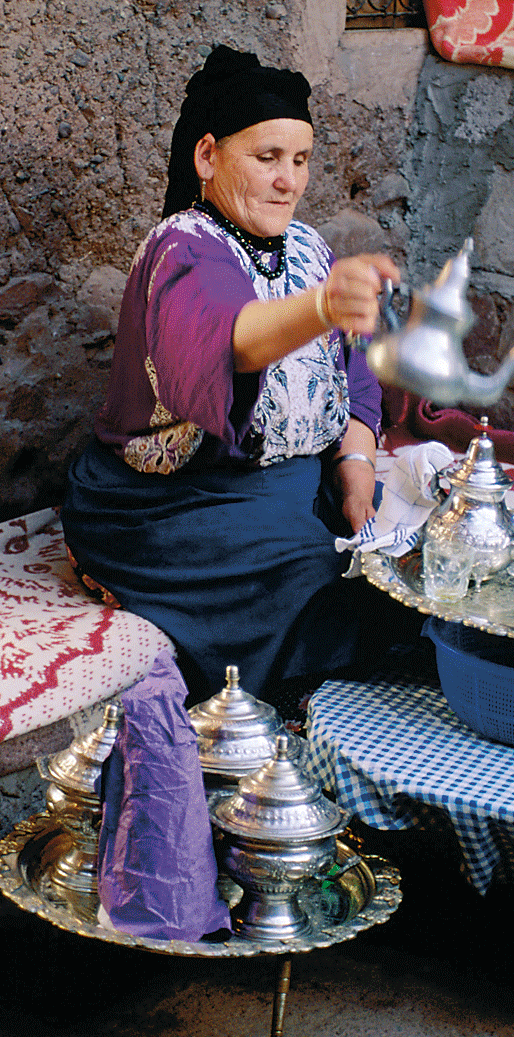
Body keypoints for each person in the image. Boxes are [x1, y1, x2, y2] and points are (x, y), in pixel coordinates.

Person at [61, 45, 423, 714]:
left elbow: (356, 380)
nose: (288, 181)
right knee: (316, 575)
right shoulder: (183, 249)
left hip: (290, 487)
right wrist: (319, 308)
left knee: (421, 545)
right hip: (175, 502)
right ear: (207, 158)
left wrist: (357, 471)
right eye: (267, 158)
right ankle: (281, 708)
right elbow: (225, 341)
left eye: (300, 159)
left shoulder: (310, 248)